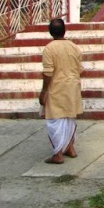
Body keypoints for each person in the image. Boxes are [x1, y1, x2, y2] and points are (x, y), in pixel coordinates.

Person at [39, 18, 83, 164]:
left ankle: (58, 154)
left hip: (57, 88)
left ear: (50, 32)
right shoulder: (74, 47)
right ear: (64, 30)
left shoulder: (50, 48)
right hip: (72, 86)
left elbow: (48, 72)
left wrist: (44, 91)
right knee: (69, 118)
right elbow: (79, 68)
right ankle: (70, 148)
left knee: (54, 121)